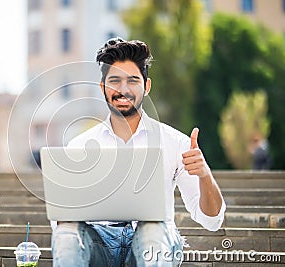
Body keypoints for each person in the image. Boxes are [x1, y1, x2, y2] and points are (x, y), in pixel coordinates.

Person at [51, 38, 226, 266]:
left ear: (147, 86)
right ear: (103, 87)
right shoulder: (78, 147)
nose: (123, 90)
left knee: (151, 230)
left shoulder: (176, 143)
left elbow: (212, 221)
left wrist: (204, 175)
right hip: (99, 246)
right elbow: (62, 225)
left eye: (132, 81)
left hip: (156, 243)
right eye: (115, 81)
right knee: (66, 234)